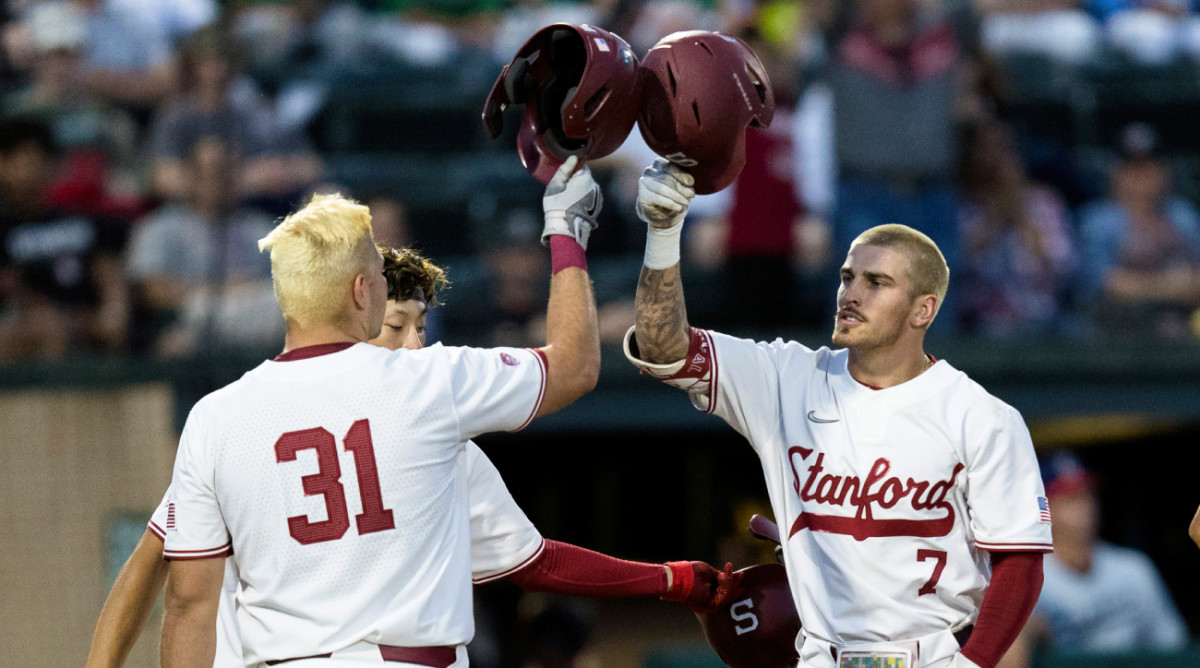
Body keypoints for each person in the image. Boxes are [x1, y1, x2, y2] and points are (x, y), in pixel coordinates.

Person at [85, 242, 736, 668]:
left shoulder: (246, 418)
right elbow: (538, 564)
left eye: (423, 329)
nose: (414, 346)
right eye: (397, 327)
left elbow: (535, 562)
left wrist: (672, 579)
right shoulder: (265, 419)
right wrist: (674, 580)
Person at [155, 155, 601, 668]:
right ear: (361, 290)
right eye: (378, 270)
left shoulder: (214, 416)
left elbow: (187, 605)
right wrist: (566, 229)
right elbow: (575, 366)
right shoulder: (424, 377)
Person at [625, 158, 1053, 668]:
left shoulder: (981, 415)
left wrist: (975, 662)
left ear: (924, 310)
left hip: (932, 655)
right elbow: (662, 349)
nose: (851, 293)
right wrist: (663, 233)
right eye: (847, 277)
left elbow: (1020, 562)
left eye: (876, 282)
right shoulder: (784, 376)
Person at [998, 451, 1187, 667]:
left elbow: (1173, 647)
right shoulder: (1025, 578)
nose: (1084, 506)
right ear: (1044, 508)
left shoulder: (1133, 568)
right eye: (1069, 498)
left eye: (1087, 494)